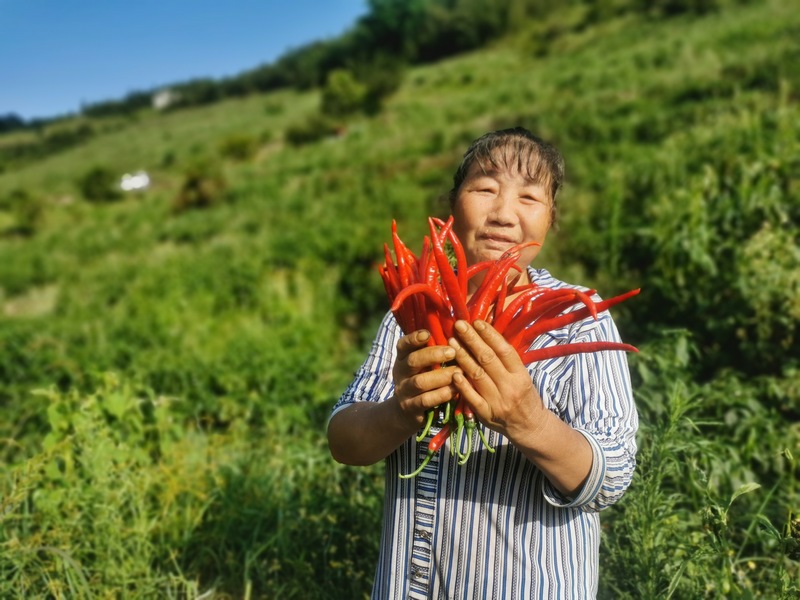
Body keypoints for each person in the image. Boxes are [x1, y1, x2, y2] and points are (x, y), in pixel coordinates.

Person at [327, 127, 638, 599]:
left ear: (551, 219)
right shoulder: (415, 309)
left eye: (530, 197)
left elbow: (611, 477)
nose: (503, 213)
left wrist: (528, 422)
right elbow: (345, 442)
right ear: (453, 204)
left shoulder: (581, 317)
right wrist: (399, 412)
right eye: (485, 188)